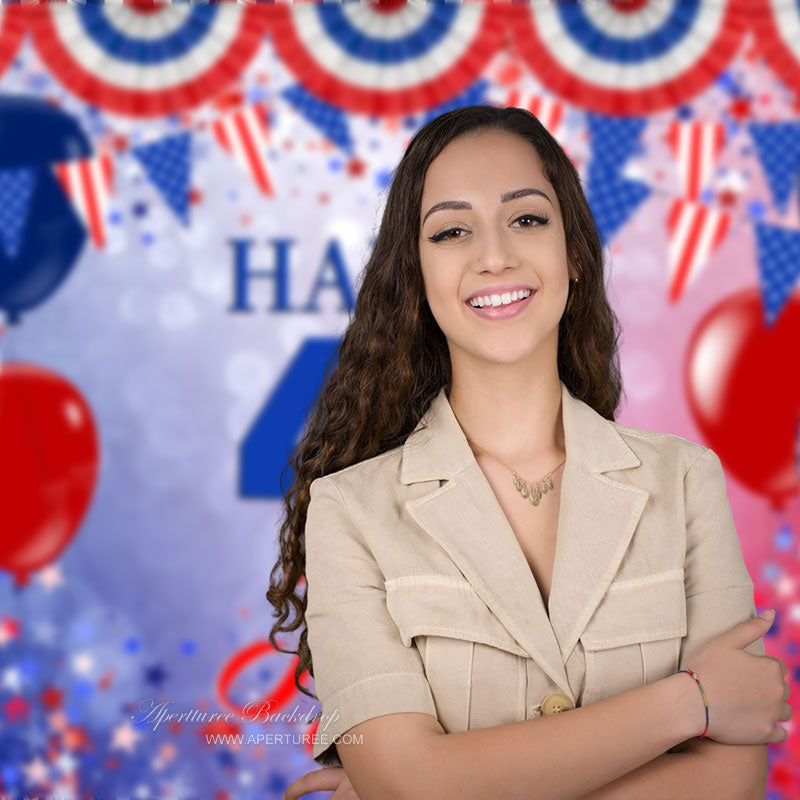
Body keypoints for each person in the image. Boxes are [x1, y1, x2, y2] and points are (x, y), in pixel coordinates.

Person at [267, 105, 791, 800]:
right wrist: (689, 703)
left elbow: (730, 783)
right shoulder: (349, 512)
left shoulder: (685, 481)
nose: (494, 256)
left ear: (572, 252)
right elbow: (410, 784)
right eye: (452, 231)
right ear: (416, 276)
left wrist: (442, 784)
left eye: (527, 219)